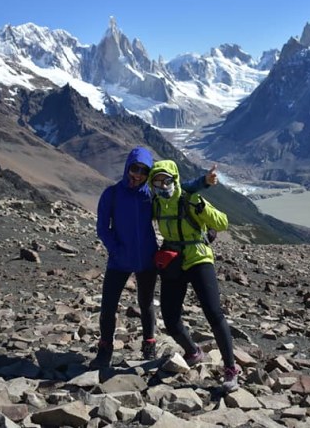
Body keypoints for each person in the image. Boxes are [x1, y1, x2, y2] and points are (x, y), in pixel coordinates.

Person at [91, 146, 217, 369]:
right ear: (127, 167)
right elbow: (103, 228)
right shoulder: (111, 194)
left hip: (148, 259)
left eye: (143, 170)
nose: (137, 174)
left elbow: (181, 191)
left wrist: (204, 184)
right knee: (109, 306)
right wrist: (115, 249)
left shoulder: (151, 195)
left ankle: (149, 343)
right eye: (134, 168)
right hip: (119, 259)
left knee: (146, 302)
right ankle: (105, 348)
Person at [148, 159, 241, 393]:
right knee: (170, 318)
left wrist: (203, 208)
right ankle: (192, 351)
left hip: (198, 257)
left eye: (166, 180)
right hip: (173, 261)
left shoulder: (191, 198)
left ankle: (230, 368)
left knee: (213, 312)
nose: (162, 186)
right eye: (157, 182)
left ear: (174, 180)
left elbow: (222, 222)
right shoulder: (157, 204)